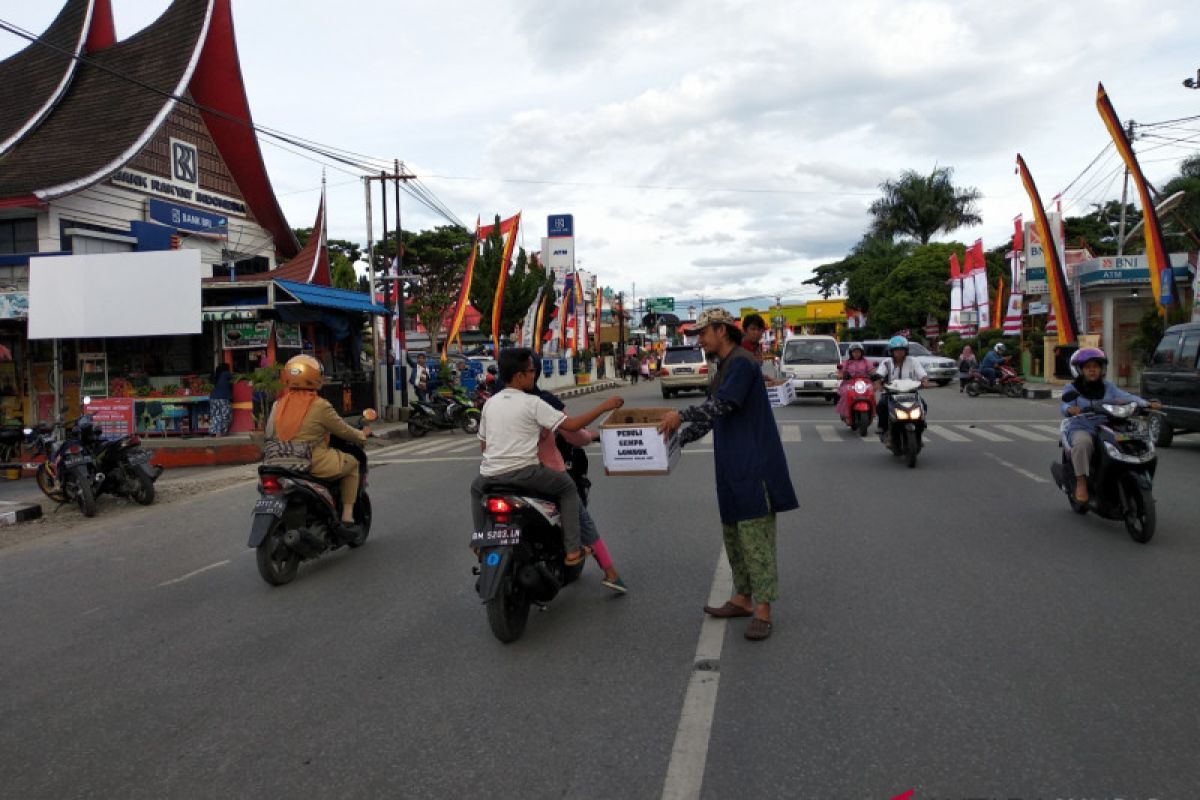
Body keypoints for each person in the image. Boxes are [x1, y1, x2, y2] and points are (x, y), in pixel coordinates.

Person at [658, 308, 798, 641]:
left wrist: (680, 416)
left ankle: (763, 609)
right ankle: (742, 598)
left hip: (754, 465)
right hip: (732, 465)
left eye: (703, 334)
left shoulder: (742, 363)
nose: (700, 340)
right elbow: (713, 415)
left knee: (755, 539)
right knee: (734, 533)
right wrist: (678, 439)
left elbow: (724, 406)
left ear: (721, 331)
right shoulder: (724, 367)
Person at [471, 348, 624, 566]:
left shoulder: (489, 404)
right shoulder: (533, 403)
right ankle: (572, 551)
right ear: (519, 376)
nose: (534, 375)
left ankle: (480, 540)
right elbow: (571, 426)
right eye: (531, 371)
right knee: (568, 489)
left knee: (476, 490)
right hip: (526, 473)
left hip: (489, 475)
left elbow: (484, 446)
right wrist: (604, 406)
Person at [528, 355, 627, 593]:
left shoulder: (495, 401)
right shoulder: (542, 401)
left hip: (501, 474)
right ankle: (609, 572)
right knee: (581, 515)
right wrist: (594, 429)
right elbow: (572, 433)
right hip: (544, 473)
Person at [265, 355, 370, 538]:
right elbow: (343, 430)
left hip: (279, 463)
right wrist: (362, 435)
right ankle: (347, 517)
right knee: (353, 463)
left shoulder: (277, 405)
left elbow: (268, 434)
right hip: (311, 462)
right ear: (315, 377)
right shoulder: (319, 405)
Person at [1061, 348, 1160, 503]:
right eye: (1088, 367)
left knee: (1133, 441)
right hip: (1083, 426)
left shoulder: (1108, 387)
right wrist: (1070, 409)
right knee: (1083, 444)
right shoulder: (1073, 388)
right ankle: (1081, 483)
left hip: (1108, 425)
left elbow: (1126, 397)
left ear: (1102, 369)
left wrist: (1146, 403)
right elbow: (1065, 405)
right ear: (1080, 370)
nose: (1092, 370)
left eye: (1096, 366)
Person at [872, 335, 928, 444]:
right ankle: (882, 427)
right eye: (896, 350)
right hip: (891, 393)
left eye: (901, 350)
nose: (899, 352)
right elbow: (879, 375)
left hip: (911, 393)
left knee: (924, 405)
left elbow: (922, 374)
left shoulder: (913, 361)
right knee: (881, 405)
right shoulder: (886, 363)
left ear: (905, 351)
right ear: (891, 351)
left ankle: (921, 424)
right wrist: (878, 382)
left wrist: (925, 381)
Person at [835, 342, 872, 421]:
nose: (856, 354)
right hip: (849, 384)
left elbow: (872, 370)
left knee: (871, 392)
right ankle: (845, 414)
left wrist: (875, 375)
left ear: (861, 353)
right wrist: (842, 375)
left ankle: (872, 412)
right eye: (854, 352)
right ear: (851, 353)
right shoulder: (847, 362)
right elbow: (839, 373)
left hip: (864, 384)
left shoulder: (866, 362)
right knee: (846, 393)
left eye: (858, 352)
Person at [208, 363, 233, 436]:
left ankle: (213, 431)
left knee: (215, 415)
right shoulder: (225, 374)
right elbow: (235, 377)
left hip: (213, 398)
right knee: (225, 415)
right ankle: (220, 432)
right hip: (223, 398)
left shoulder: (215, 376)